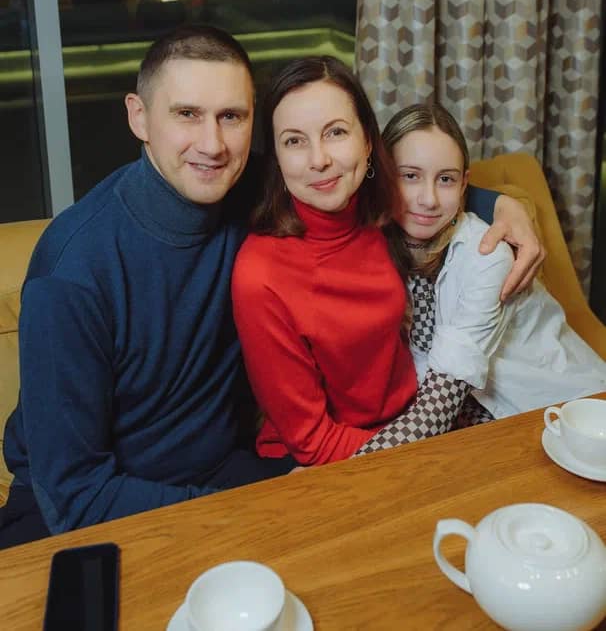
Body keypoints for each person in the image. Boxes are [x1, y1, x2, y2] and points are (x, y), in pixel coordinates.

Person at [0, 36, 540, 549]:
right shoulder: (73, 269)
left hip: (225, 467)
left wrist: (501, 205)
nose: (212, 144)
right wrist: (251, 510)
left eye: (231, 117)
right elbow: (74, 496)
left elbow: (393, 186)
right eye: (186, 114)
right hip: (95, 506)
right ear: (139, 116)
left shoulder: (249, 183)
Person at [231, 56, 545, 467]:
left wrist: (507, 204)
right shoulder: (260, 276)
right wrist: (423, 456)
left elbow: (439, 192)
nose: (318, 159)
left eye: (336, 132)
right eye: (294, 141)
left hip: (413, 424)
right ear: (275, 157)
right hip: (336, 458)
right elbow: (313, 442)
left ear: (368, 141)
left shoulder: (380, 212)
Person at [355, 102, 606, 456]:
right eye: (410, 176)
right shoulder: (381, 241)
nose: (428, 199)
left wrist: (344, 473)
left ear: (464, 184)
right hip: (473, 414)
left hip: (561, 413)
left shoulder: (487, 257)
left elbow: (437, 406)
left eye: (445, 179)